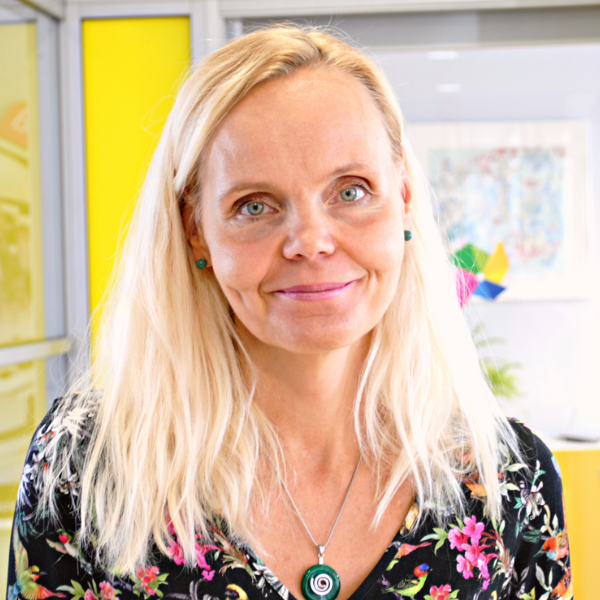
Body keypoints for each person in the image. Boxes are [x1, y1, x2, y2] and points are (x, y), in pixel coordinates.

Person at [7, 26, 570, 600]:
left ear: (402, 199)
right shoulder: (86, 465)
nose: (311, 241)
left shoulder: (513, 481)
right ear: (196, 230)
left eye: (350, 191)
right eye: (254, 205)